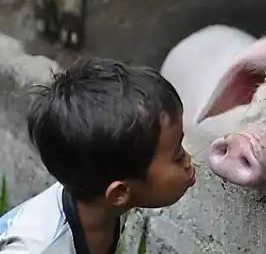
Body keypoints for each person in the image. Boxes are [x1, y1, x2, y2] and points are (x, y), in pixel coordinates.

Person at [0, 57, 196, 254]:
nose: (189, 161)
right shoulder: (40, 248)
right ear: (119, 193)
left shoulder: (99, 194)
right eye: (177, 156)